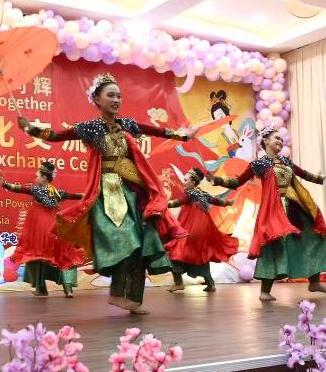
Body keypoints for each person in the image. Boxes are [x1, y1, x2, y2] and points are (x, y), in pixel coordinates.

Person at [17, 72, 194, 315]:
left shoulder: (127, 124)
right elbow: (57, 136)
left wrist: (182, 135)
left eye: (119, 96)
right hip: (106, 195)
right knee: (126, 241)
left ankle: (130, 298)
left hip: (132, 193)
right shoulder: (90, 128)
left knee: (140, 244)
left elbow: (155, 131)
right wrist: (31, 128)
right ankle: (117, 294)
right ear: (97, 100)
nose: (117, 100)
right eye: (111, 95)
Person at [210, 127, 326, 302]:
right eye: (276, 138)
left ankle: (314, 282)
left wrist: (318, 178)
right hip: (273, 210)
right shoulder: (259, 164)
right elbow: (237, 181)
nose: (280, 141)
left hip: (294, 207)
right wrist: (217, 180)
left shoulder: (286, 161)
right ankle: (265, 291)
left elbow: (303, 174)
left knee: (312, 238)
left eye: (281, 139)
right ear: (265, 141)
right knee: (273, 247)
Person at [0, 161, 84, 298]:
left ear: (44, 177)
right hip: (56, 230)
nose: (35, 178)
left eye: (37, 176)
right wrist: (88, 194)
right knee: (63, 256)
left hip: (40, 232)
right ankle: (68, 289)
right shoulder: (58, 193)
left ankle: (41, 289)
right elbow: (75, 195)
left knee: (36, 256)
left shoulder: (36, 190)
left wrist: (5, 184)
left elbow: (19, 188)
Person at [166, 167, 238, 293]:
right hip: (203, 230)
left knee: (174, 252)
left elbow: (178, 202)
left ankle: (178, 283)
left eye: (185, 180)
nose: (183, 182)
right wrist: (228, 203)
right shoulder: (202, 194)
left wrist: (164, 204)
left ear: (193, 182)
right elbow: (216, 201)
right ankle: (210, 284)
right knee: (200, 256)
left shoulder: (190, 194)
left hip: (191, 230)